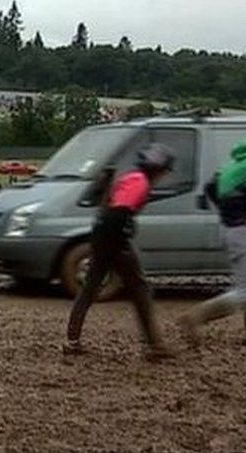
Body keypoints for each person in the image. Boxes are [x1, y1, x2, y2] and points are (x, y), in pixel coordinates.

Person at [64, 143, 176, 361]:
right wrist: (123, 237)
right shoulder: (141, 183)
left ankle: (71, 340)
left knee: (90, 288)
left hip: (100, 234)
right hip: (114, 238)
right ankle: (154, 346)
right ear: (159, 169)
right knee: (140, 288)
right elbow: (120, 212)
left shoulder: (131, 176)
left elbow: (108, 203)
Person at [178, 138, 246, 345]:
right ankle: (195, 317)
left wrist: (229, 212)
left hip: (232, 229)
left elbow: (211, 186)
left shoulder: (235, 164)